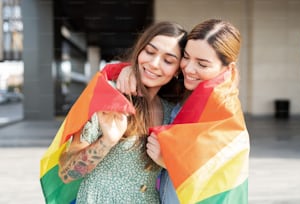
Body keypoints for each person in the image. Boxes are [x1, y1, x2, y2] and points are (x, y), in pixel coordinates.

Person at [116, 19, 249, 204]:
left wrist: (167, 161)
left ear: (228, 68)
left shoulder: (224, 114)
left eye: (202, 64)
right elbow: (154, 72)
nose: (189, 68)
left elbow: (220, 184)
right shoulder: (181, 92)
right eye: (186, 57)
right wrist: (128, 71)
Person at [57, 21, 187, 204]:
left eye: (168, 60)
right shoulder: (107, 95)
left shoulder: (172, 113)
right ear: (140, 50)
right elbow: (66, 174)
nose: (154, 64)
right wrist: (107, 141)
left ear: (177, 71)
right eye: (150, 52)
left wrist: (165, 161)